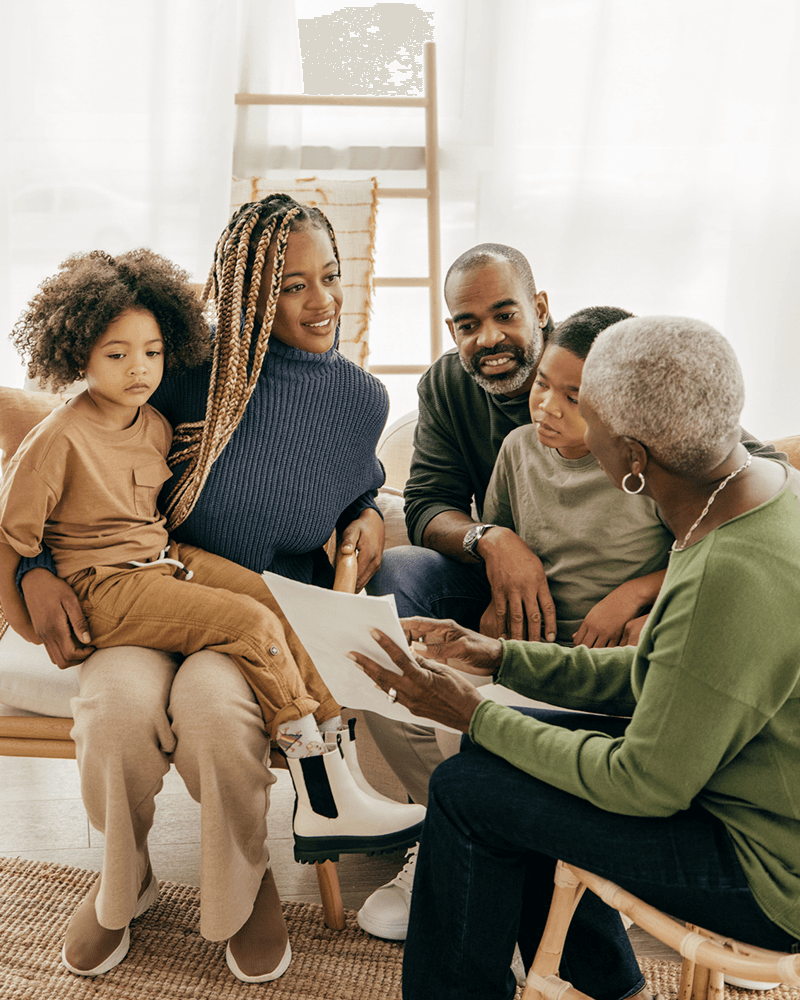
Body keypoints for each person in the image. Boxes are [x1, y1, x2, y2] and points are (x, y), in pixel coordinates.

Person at [12, 196, 423, 983]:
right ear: (244, 291)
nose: (322, 301)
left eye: (329, 278)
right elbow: (71, 458)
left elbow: (350, 486)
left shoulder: (359, 401)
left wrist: (369, 510)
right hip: (141, 598)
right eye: (291, 284)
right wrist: (33, 573)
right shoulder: (176, 373)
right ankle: (122, 882)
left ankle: (244, 884)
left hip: (251, 606)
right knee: (114, 713)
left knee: (213, 715)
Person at [350, 315, 800, 1000]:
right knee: (498, 765)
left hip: (765, 870)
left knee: (471, 791)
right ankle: (609, 985)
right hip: (732, 780)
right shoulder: (761, 495)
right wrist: (501, 659)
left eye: (587, 412)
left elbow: (641, 784)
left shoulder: (724, 570)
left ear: (632, 454)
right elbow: (669, 670)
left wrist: (471, 714)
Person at [482, 305, 672, 646]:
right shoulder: (517, 448)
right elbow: (499, 549)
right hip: (533, 647)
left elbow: (707, 555)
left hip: (617, 648)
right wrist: (494, 603)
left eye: (573, 398)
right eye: (542, 382)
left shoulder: (652, 464)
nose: (547, 407)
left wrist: (635, 594)